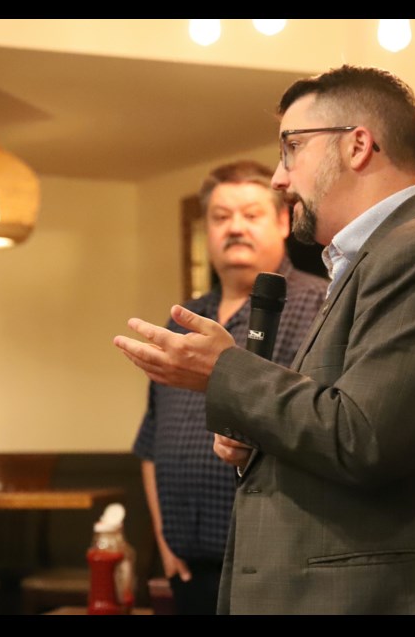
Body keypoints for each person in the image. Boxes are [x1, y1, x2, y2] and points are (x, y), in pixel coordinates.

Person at [114, 65, 415, 614]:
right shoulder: (368, 262)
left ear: (357, 145)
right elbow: (336, 422)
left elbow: (364, 438)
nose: (280, 177)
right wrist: (257, 437)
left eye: (291, 148)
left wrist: (223, 372)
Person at [132, 160, 326, 615]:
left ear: (283, 221)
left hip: (280, 566)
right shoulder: (185, 318)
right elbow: (150, 442)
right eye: (221, 217)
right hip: (188, 567)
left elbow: (323, 422)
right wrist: (164, 540)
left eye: (251, 214)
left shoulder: (322, 304)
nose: (235, 228)